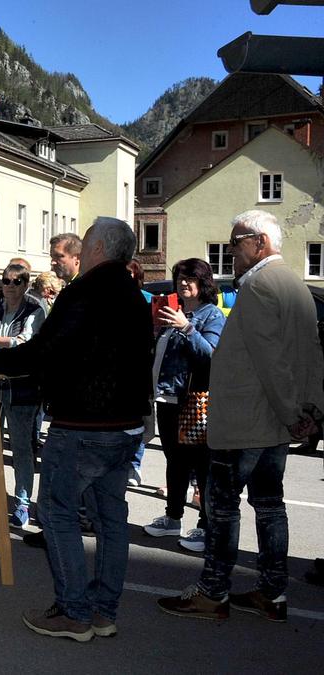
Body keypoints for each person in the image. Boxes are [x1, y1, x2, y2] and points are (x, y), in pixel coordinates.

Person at [0, 216, 151, 642]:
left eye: (88, 238)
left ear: (96, 248)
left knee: (57, 513)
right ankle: (102, 612)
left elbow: (47, 349)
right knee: (111, 518)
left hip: (83, 422)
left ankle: (74, 612)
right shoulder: (132, 293)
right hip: (125, 424)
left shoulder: (86, 291)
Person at [159, 210, 324, 623]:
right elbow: (309, 356)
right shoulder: (296, 286)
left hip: (248, 419)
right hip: (272, 420)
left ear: (260, 243)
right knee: (270, 504)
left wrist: (294, 413)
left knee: (222, 505)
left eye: (235, 242)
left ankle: (213, 591)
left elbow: (272, 362)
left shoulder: (261, 286)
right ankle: (272, 591)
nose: (230, 251)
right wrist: (310, 411)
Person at [143, 258, 225, 552]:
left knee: (202, 466)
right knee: (175, 462)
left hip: (195, 400)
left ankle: (206, 527)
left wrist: (187, 328)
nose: (183, 283)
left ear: (204, 284)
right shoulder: (174, 311)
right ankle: (173, 517)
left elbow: (211, 355)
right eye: (179, 278)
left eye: (190, 279)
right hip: (168, 398)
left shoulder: (210, 315)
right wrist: (156, 334)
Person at [0, 263, 45, 527]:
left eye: (17, 281)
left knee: (22, 449)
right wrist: (0, 345)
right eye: (6, 281)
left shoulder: (35, 310)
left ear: (26, 284)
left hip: (22, 388)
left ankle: (23, 502)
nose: (10, 286)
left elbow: (27, 343)